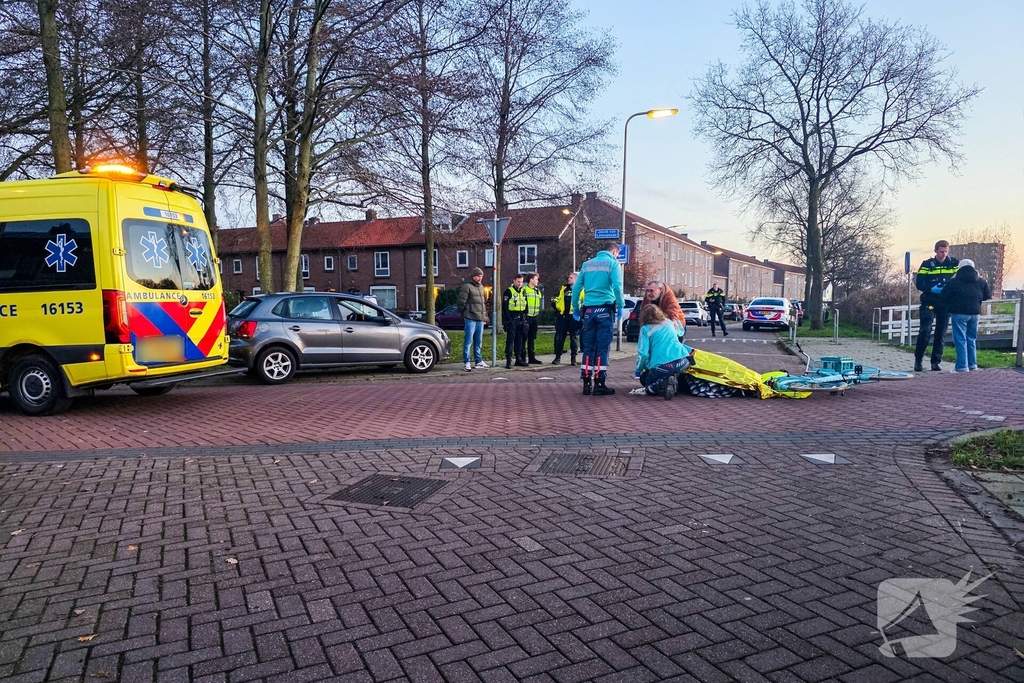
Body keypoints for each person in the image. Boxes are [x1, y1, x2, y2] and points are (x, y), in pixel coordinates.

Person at [571, 240, 624, 396]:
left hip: (588, 311)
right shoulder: (613, 264)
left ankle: (586, 383)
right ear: (614, 251)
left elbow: (577, 288)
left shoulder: (587, 265)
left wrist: (575, 307)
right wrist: (620, 305)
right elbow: (617, 286)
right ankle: (599, 383)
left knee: (588, 347)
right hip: (605, 310)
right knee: (602, 348)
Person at [937, 259, 991, 373]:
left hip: (959, 313)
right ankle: (972, 365)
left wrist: (950, 304)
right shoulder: (981, 281)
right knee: (971, 339)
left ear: (960, 268)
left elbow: (944, 296)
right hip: (975, 313)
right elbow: (987, 295)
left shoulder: (954, 281)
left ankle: (962, 367)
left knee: (960, 340)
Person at [914, 240, 959, 372]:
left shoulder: (954, 263)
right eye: (941, 251)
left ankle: (935, 362)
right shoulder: (927, 264)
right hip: (929, 302)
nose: (943, 254)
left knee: (941, 333)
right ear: (935, 251)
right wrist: (931, 288)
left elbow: (958, 281)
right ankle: (918, 360)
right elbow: (919, 284)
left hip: (945, 303)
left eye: (946, 251)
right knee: (925, 331)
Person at [633, 304, 694, 400]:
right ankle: (674, 383)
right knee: (674, 373)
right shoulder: (669, 322)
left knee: (646, 380)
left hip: (663, 366)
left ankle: (661, 384)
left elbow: (643, 354)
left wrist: (638, 370)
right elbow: (681, 332)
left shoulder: (645, 329)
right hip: (683, 360)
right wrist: (676, 320)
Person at [457, 267, 488, 371]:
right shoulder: (466, 286)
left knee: (478, 341)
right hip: (470, 318)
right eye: (479, 276)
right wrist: (465, 313)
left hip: (479, 318)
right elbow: (461, 302)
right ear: (474, 276)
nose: (480, 278)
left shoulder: (481, 287)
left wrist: (483, 315)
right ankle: (466, 362)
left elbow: (482, 302)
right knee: (468, 341)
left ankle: (478, 361)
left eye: (481, 276)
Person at [551, 271, 580, 365]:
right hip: (563, 316)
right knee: (560, 338)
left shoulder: (580, 289)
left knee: (574, 338)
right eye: (569, 277)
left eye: (571, 278)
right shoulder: (564, 289)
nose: (569, 279)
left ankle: (573, 358)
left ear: (576, 279)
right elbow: (556, 298)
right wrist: (556, 306)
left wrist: (580, 313)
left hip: (574, 317)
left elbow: (584, 301)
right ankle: (557, 357)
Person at [501, 273, 528, 368]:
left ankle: (518, 359)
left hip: (521, 318)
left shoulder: (523, 292)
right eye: (518, 281)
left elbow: (526, 305)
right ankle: (508, 360)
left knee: (519, 341)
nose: (520, 283)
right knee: (510, 341)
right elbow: (505, 307)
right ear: (514, 281)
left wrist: (525, 318)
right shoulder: (509, 291)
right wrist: (509, 320)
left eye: (521, 282)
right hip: (512, 318)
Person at [523, 272, 543, 364]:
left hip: (534, 317)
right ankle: (522, 358)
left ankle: (532, 358)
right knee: (523, 338)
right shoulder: (524, 290)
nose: (537, 281)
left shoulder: (537, 291)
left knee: (532, 338)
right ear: (531, 280)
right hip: (526, 317)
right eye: (536, 279)